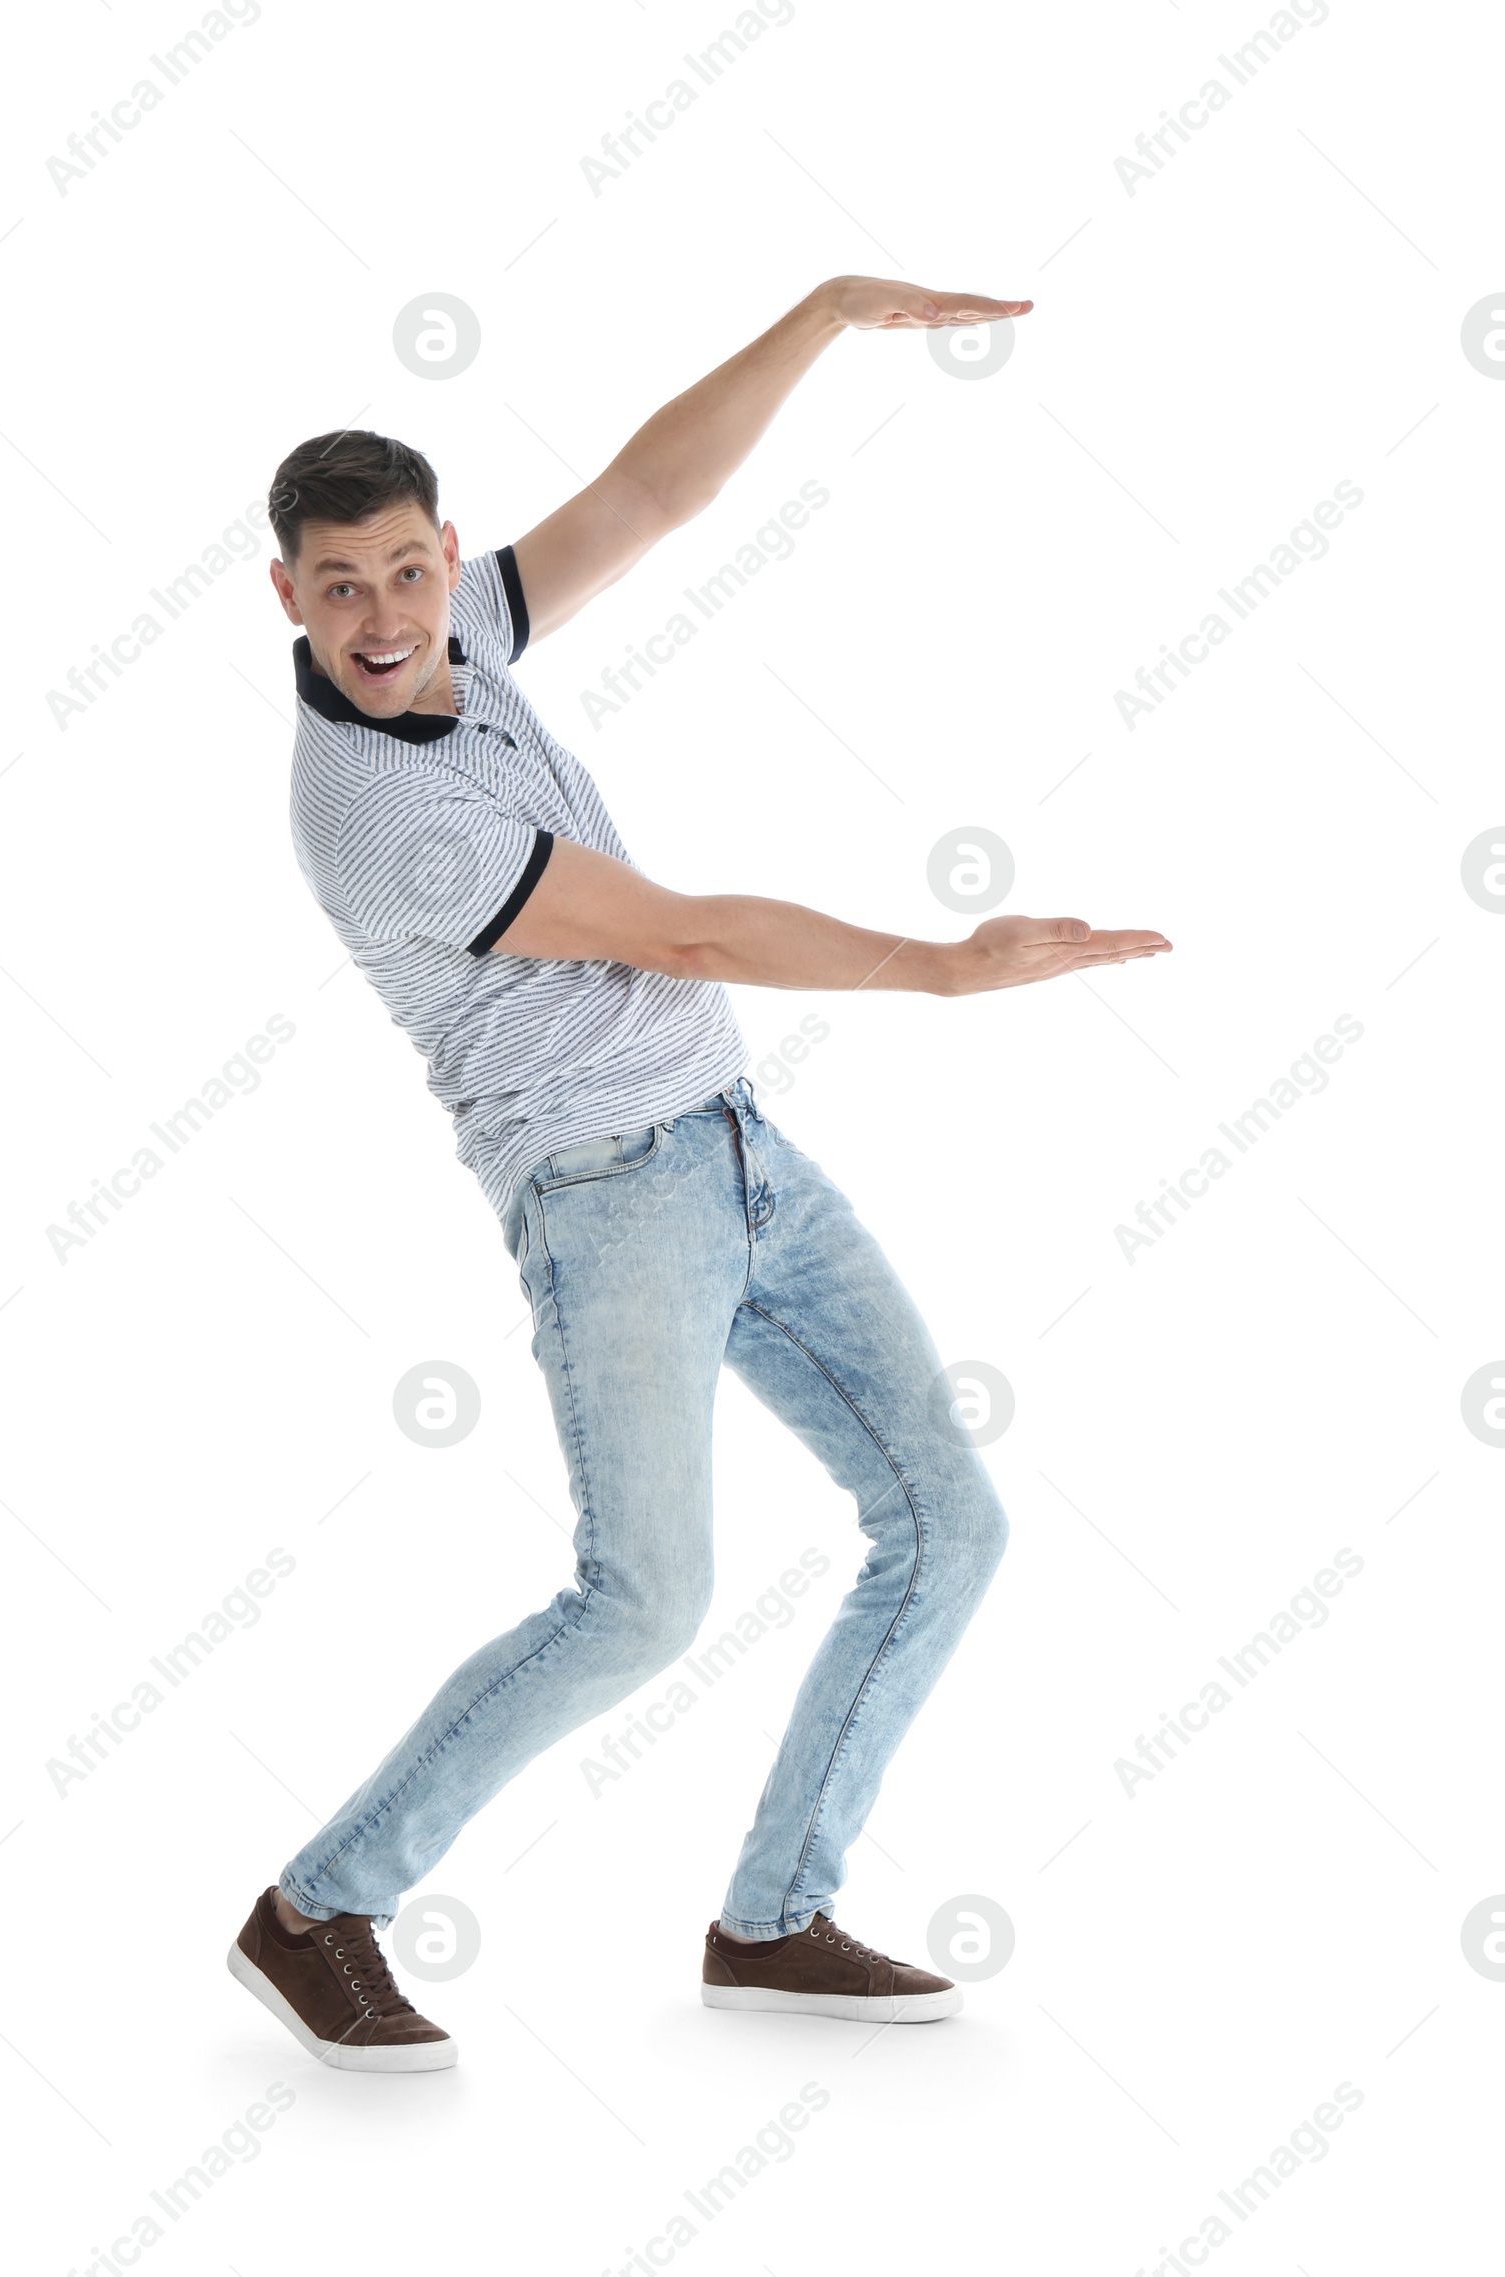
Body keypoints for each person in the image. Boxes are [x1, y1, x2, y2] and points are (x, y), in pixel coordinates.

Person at [227, 274, 1172, 2071]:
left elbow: (652, 496)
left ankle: (775, 1916)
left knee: (948, 1525)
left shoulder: (464, 646)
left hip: (742, 1154)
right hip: (607, 1202)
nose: (382, 612)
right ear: (288, 594)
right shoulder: (381, 812)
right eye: (338, 583)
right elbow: (668, 933)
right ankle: (317, 1905)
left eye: (408, 569)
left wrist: (817, 318)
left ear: (441, 560)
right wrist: (937, 967)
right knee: (644, 1598)